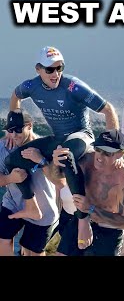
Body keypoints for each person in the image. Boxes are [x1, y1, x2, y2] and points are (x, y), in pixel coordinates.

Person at [4, 45, 121, 249]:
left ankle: (83, 220)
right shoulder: (31, 86)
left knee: (65, 156)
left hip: (81, 136)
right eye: (50, 69)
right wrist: (14, 126)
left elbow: (108, 110)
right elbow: (15, 95)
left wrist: (113, 150)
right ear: (38, 69)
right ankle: (31, 206)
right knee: (13, 159)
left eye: (60, 68)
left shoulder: (73, 87)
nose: (56, 73)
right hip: (58, 137)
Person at [49, 130, 124, 256]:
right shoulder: (86, 161)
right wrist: (55, 163)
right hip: (82, 218)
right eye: (98, 149)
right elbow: (58, 179)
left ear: (119, 154)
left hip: (109, 228)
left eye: (107, 153)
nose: (100, 157)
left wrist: (90, 208)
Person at [0, 109, 60, 256]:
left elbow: (61, 182)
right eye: (10, 130)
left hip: (43, 209)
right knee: (2, 239)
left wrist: (42, 161)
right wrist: (10, 179)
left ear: (30, 126)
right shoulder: (4, 147)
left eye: (18, 130)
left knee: (31, 252)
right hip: (13, 203)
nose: (14, 135)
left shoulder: (46, 147)